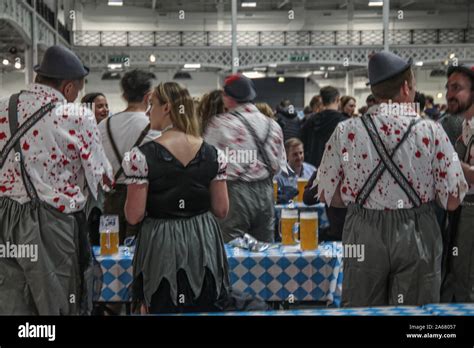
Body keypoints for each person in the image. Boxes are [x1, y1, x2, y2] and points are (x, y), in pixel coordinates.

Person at [317, 51, 468, 307]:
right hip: (417, 230)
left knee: (361, 308)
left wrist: (362, 198)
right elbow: (452, 201)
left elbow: (326, 194)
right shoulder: (431, 130)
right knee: (415, 313)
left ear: (374, 91)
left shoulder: (346, 130)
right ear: (406, 87)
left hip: (362, 230)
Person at [0, 45, 113, 315]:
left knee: (11, 301)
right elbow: (103, 178)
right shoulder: (77, 116)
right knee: (58, 302)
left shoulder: (3, 107)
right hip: (51, 222)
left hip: (3, 217)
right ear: (70, 89)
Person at [123, 82, 230, 314]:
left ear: (167, 108)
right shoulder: (213, 154)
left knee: (161, 301)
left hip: (161, 241)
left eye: (152, 105)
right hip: (203, 240)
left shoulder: (141, 156)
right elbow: (221, 209)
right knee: (203, 303)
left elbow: (134, 215)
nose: (147, 111)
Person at [204, 74, 286, 243]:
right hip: (266, 192)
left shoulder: (219, 124)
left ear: (228, 98)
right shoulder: (273, 125)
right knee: (264, 249)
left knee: (231, 249)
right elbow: (279, 165)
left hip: (233, 193)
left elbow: (205, 163)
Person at [98, 69, 156, 245]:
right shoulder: (153, 127)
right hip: (143, 200)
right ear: (149, 96)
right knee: (139, 256)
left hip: (110, 201)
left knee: (109, 252)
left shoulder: (103, 125)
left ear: (124, 95)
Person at [441, 65, 474, 303]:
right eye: (448, 88)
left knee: (467, 282)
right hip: (460, 211)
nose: (449, 94)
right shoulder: (465, 126)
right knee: (456, 275)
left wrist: (444, 156)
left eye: (457, 88)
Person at [300, 86, 348, 168]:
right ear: (337, 99)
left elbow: (302, 144)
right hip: (335, 168)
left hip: (313, 167)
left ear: (322, 100)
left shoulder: (310, 121)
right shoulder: (344, 122)